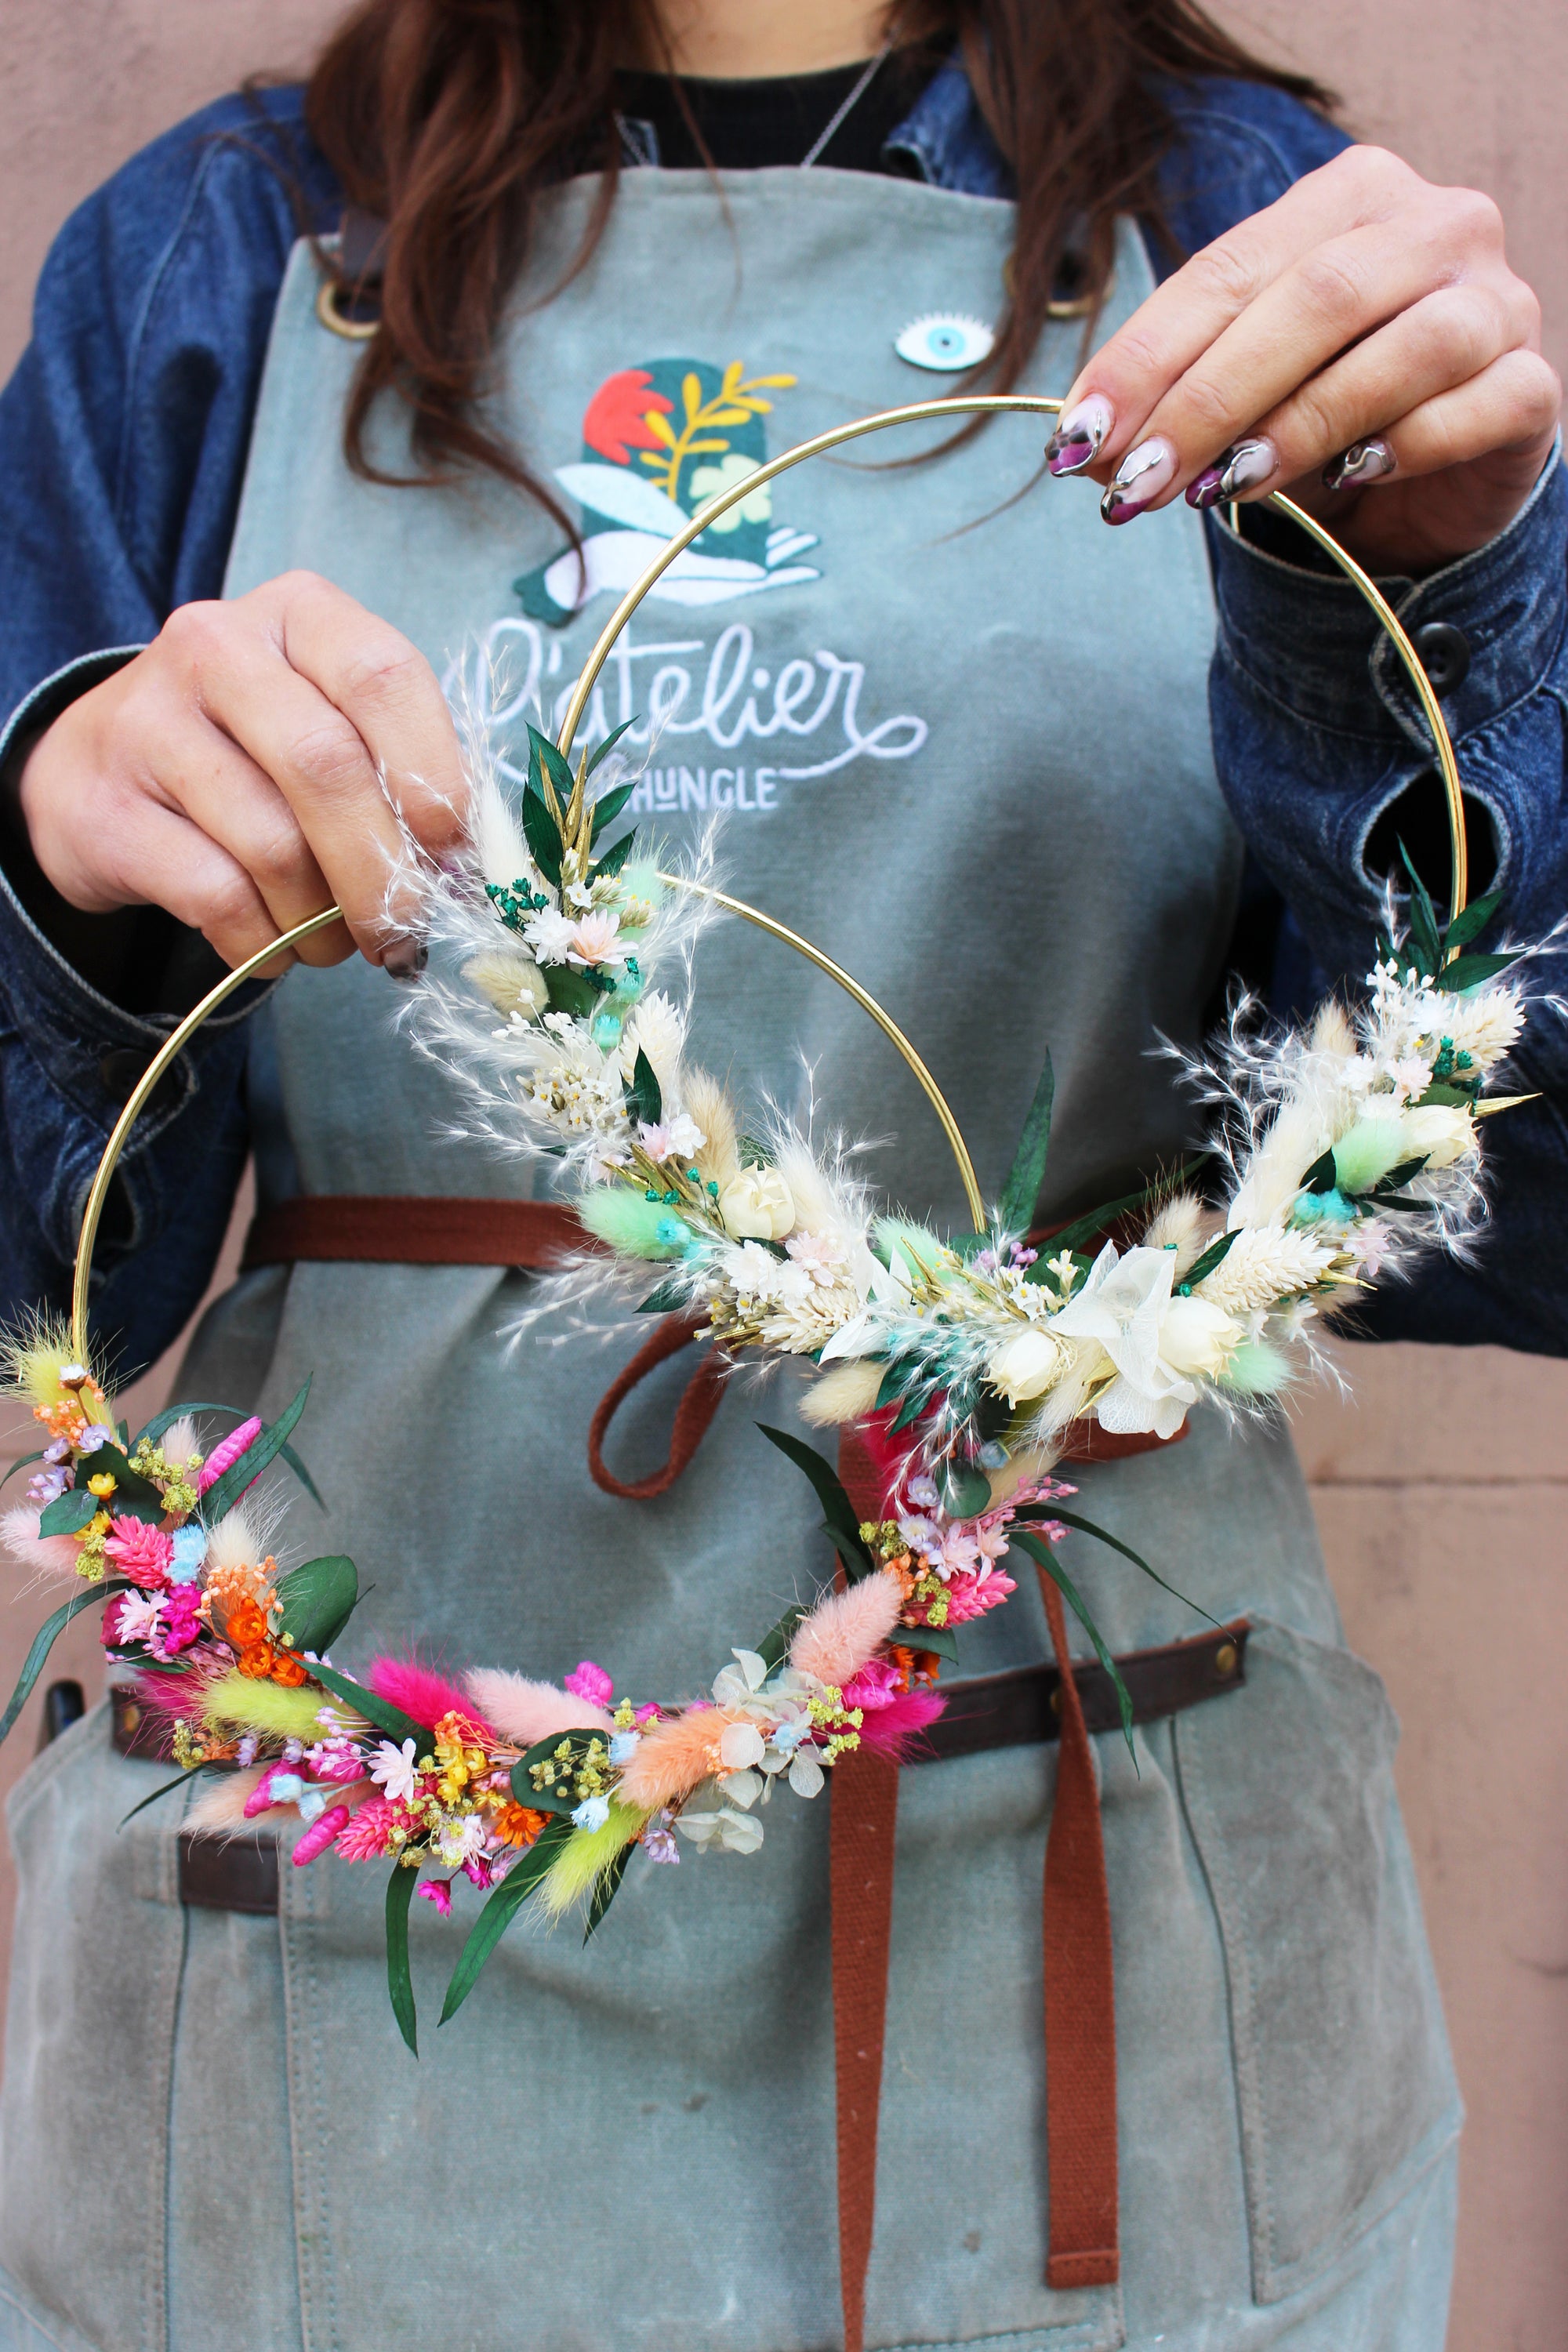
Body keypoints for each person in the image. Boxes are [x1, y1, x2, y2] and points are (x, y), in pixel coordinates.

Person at [0, 2, 1563, 2347]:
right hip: (349, 1964)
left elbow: (1514, 1217)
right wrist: (68, 896)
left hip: (1086, 1936)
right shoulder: (215, 261)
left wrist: (1441, 623)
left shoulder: (1250, 226)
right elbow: (55, 1285)